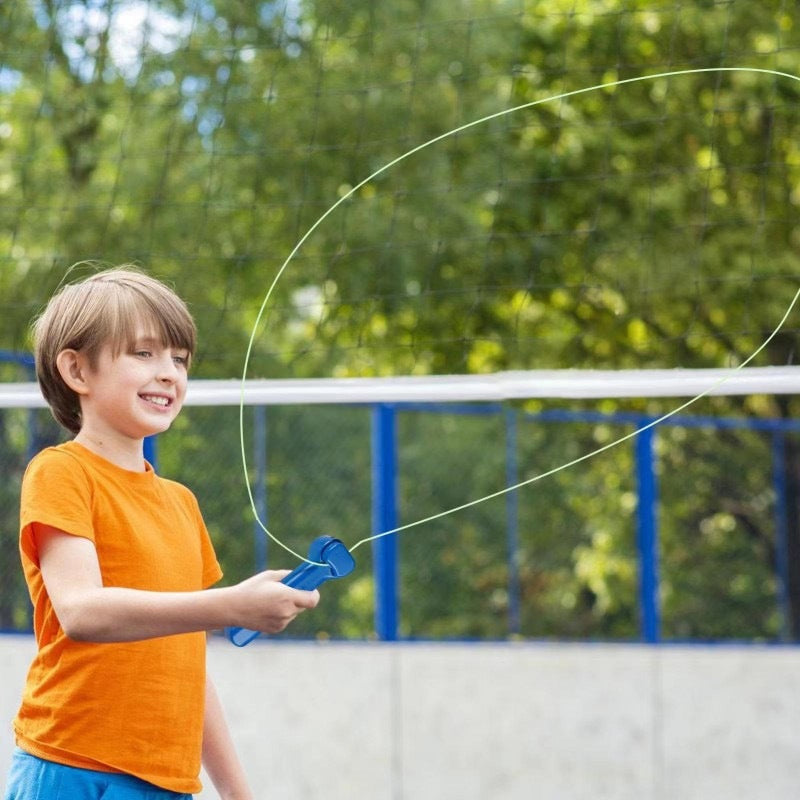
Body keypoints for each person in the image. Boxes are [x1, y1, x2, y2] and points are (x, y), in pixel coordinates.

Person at [3, 266, 319, 800]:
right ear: (77, 370)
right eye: (144, 354)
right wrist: (231, 605)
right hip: (71, 767)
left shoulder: (181, 504)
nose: (170, 373)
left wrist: (239, 794)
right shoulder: (60, 472)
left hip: (166, 784)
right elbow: (82, 612)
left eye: (179, 359)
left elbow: (187, 666)